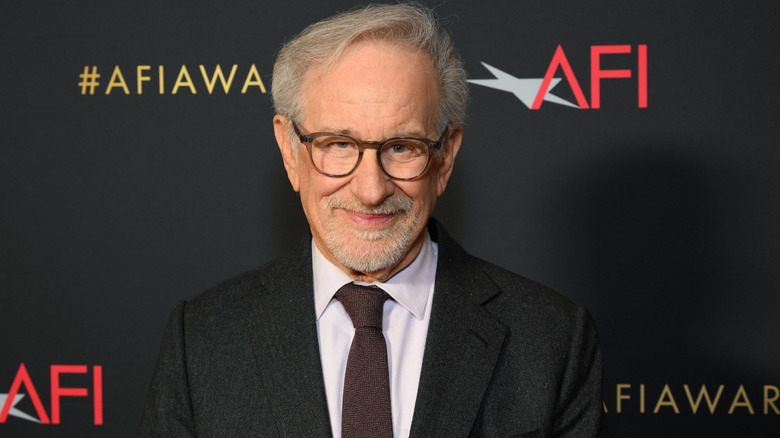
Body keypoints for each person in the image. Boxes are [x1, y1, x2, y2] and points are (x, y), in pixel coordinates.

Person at [138, 3, 608, 437]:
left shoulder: (551, 342)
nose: (370, 188)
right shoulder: (202, 340)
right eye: (339, 144)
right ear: (289, 151)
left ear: (445, 158)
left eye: (402, 147)